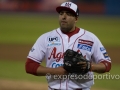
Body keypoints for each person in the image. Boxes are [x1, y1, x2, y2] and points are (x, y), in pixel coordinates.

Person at [25, 1, 111, 90]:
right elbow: (29, 66)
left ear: (76, 19)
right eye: (61, 13)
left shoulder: (90, 38)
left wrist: (90, 66)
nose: (64, 17)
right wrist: (54, 71)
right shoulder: (46, 38)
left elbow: (107, 64)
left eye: (69, 14)